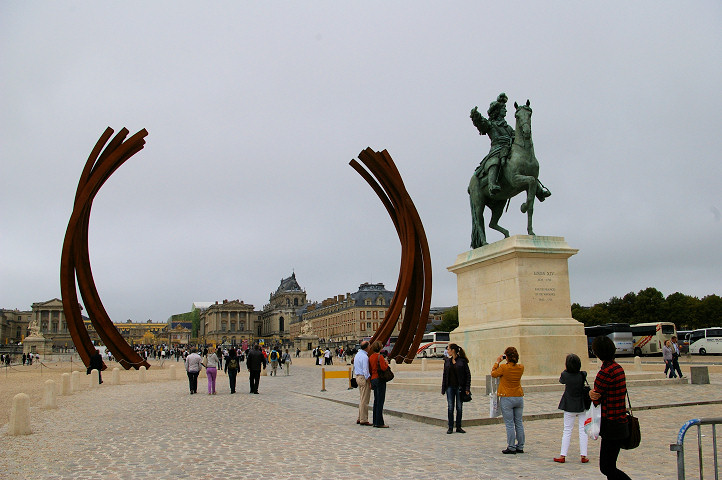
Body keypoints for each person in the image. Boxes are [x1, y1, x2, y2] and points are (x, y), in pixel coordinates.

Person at [470, 92, 551, 200]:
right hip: (497, 148)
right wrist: (476, 115)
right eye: (503, 108)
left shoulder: (507, 126)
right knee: (494, 161)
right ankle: (492, 184)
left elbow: (515, 135)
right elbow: (482, 123)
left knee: (524, 161)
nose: (506, 110)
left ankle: (538, 189)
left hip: (509, 146)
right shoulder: (491, 124)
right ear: (497, 111)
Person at [589, 335, 632, 480]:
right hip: (621, 420)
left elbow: (596, 399)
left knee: (607, 467)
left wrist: (590, 394)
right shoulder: (618, 368)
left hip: (611, 423)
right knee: (610, 465)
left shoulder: (605, 372)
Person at [554, 353, 589, 464]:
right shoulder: (582, 375)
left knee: (567, 430)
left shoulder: (565, 375)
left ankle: (563, 455)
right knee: (583, 430)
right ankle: (583, 455)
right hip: (581, 404)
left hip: (569, 404)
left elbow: (561, 381)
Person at [491, 346, 525, 454]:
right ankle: (520, 445)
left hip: (507, 397)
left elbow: (493, 373)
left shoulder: (504, 368)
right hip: (518, 396)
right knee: (519, 422)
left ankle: (511, 446)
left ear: (507, 357)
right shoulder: (521, 367)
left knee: (509, 423)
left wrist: (497, 362)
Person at [441, 343, 471, 434]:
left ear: (453, 350)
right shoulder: (447, 361)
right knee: (450, 407)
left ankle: (458, 426)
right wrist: (443, 388)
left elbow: (468, 375)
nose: (447, 351)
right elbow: (444, 375)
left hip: (459, 387)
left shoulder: (462, 361)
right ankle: (450, 427)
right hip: (449, 387)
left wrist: (467, 388)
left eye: (449, 349)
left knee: (459, 407)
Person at [368, 341, 390, 428]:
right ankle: (379, 422)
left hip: (373, 379)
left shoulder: (371, 357)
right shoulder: (380, 357)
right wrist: (386, 363)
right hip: (380, 379)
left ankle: (375, 420)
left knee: (376, 401)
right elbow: (384, 368)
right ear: (380, 348)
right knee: (380, 401)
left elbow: (369, 369)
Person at [353, 341, 372, 426]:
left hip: (357, 377)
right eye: (369, 346)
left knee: (362, 398)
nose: (370, 347)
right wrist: (369, 381)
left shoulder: (357, 355)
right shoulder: (365, 357)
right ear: (367, 347)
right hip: (363, 378)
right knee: (365, 400)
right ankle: (363, 419)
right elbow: (365, 371)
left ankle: (359, 417)